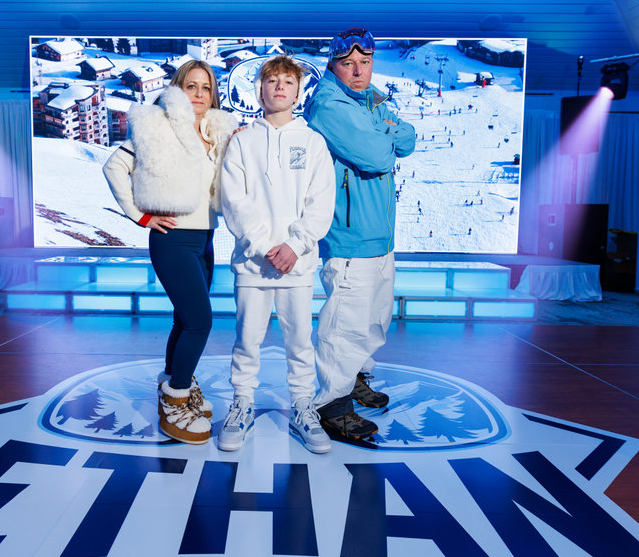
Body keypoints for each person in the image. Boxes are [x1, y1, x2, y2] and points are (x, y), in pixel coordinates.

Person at [103, 59, 238, 445]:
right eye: (191, 86)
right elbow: (114, 167)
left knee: (184, 319)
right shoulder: (158, 125)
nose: (199, 94)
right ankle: (176, 397)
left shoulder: (215, 130)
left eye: (206, 88)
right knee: (200, 322)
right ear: (178, 89)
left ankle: (174, 379)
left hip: (205, 237)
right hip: (173, 238)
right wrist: (140, 216)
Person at [218, 55, 335, 453]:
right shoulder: (242, 142)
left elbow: (321, 203)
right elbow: (234, 200)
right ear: (260, 91)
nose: (280, 86)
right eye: (272, 80)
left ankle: (302, 406)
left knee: (300, 342)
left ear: (298, 92)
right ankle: (242, 404)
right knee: (246, 341)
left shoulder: (313, 143)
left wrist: (295, 246)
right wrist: (263, 245)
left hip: (297, 266)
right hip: (253, 265)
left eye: (288, 81)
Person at [304, 28, 416, 445]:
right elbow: (377, 155)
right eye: (348, 64)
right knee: (345, 325)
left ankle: (354, 379)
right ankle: (331, 406)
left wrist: (383, 129)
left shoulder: (368, 100)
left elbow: (409, 140)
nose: (358, 71)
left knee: (374, 320)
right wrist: (385, 130)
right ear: (333, 64)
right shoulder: (329, 104)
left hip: (379, 235)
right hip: (350, 234)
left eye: (365, 63)